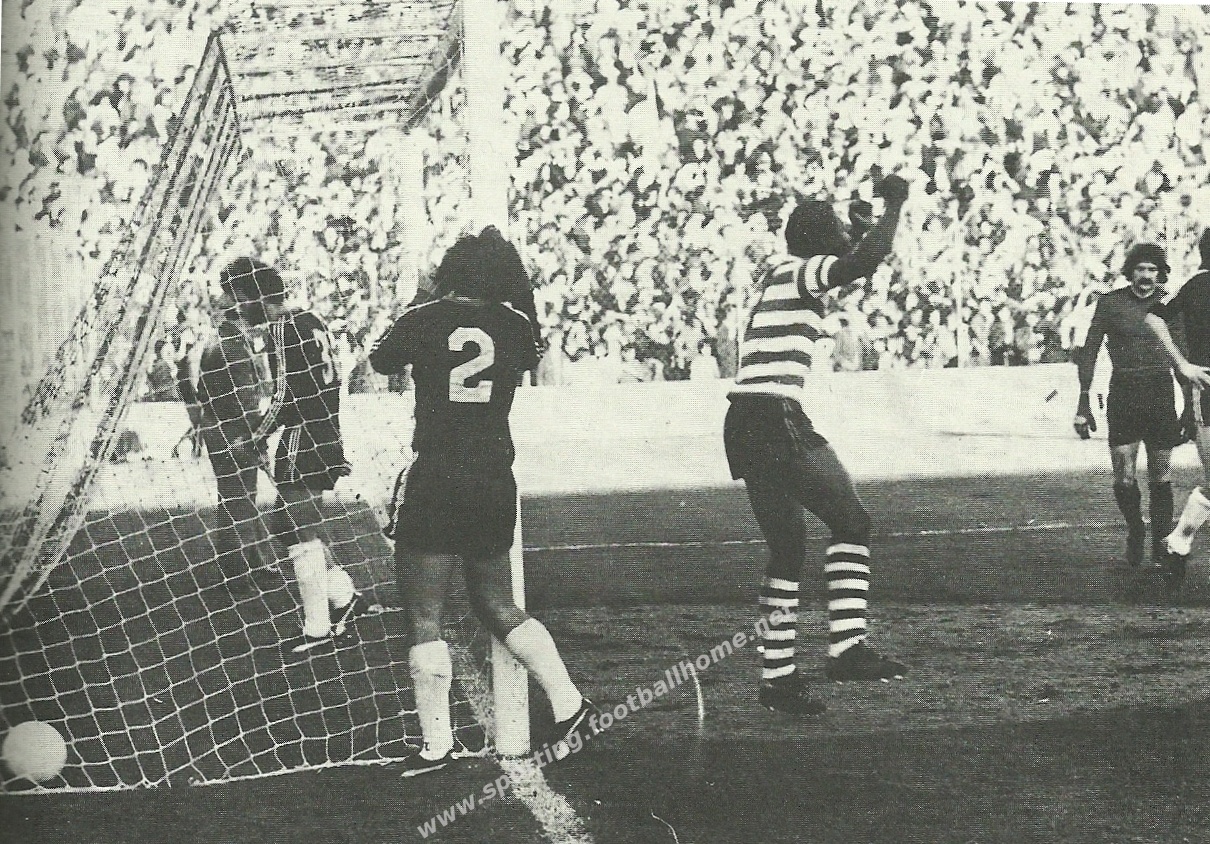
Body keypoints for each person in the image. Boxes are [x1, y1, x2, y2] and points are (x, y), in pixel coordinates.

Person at [369, 229, 597, 776]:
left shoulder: (422, 318)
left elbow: (380, 360)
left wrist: (425, 296)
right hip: (493, 476)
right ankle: (570, 705)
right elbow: (531, 352)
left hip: (438, 475)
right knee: (497, 603)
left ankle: (436, 745)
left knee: (424, 613)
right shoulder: (515, 325)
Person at [724, 174, 911, 717]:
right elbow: (860, 262)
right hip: (775, 415)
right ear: (819, 240)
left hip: (745, 418)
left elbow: (853, 260)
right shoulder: (802, 271)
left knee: (787, 548)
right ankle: (847, 648)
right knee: (852, 523)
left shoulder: (782, 273)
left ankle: (777, 679)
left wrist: (860, 229)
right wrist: (894, 206)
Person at [225, 257, 373, 655]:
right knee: (286, 526)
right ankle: (344, 597)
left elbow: (284, 395)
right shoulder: (311, 319)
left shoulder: (281, 328)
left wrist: (254, 437)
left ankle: (318, 629)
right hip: (324, 432)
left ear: (257, 297)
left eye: (239, 299)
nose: (237, 309)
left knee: (300, 531)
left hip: (302, 439)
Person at [1072, 243, 1183, 571]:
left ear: (1160, 273)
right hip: (1124, 393)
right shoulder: (1110, 303)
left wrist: (1191, 408)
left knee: (1161, 475)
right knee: (1123, 476)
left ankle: (1161, 542)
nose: (1146, 276)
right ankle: (1136, 528)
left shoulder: (1169, 304)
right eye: (1140, 269)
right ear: (1130, 272)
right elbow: (1089, 351)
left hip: (1160, 393)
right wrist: (1083, 401)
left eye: (1152, 269)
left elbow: (1183, 355)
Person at [195, 284, 277, 596]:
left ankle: (251, 563)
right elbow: (245, 401)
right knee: (238, 502)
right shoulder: (233, 348)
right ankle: (237, 573)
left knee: (239, 499)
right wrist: (257, 439)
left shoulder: (220, 341)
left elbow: (202, 390)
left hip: (219, 426)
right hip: (233, 430)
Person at [1145, 230, 1210, 591]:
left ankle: (1178, 542)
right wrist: (1183, 365)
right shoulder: (1198, 286)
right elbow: (1155, 317)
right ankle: (1179, 540)